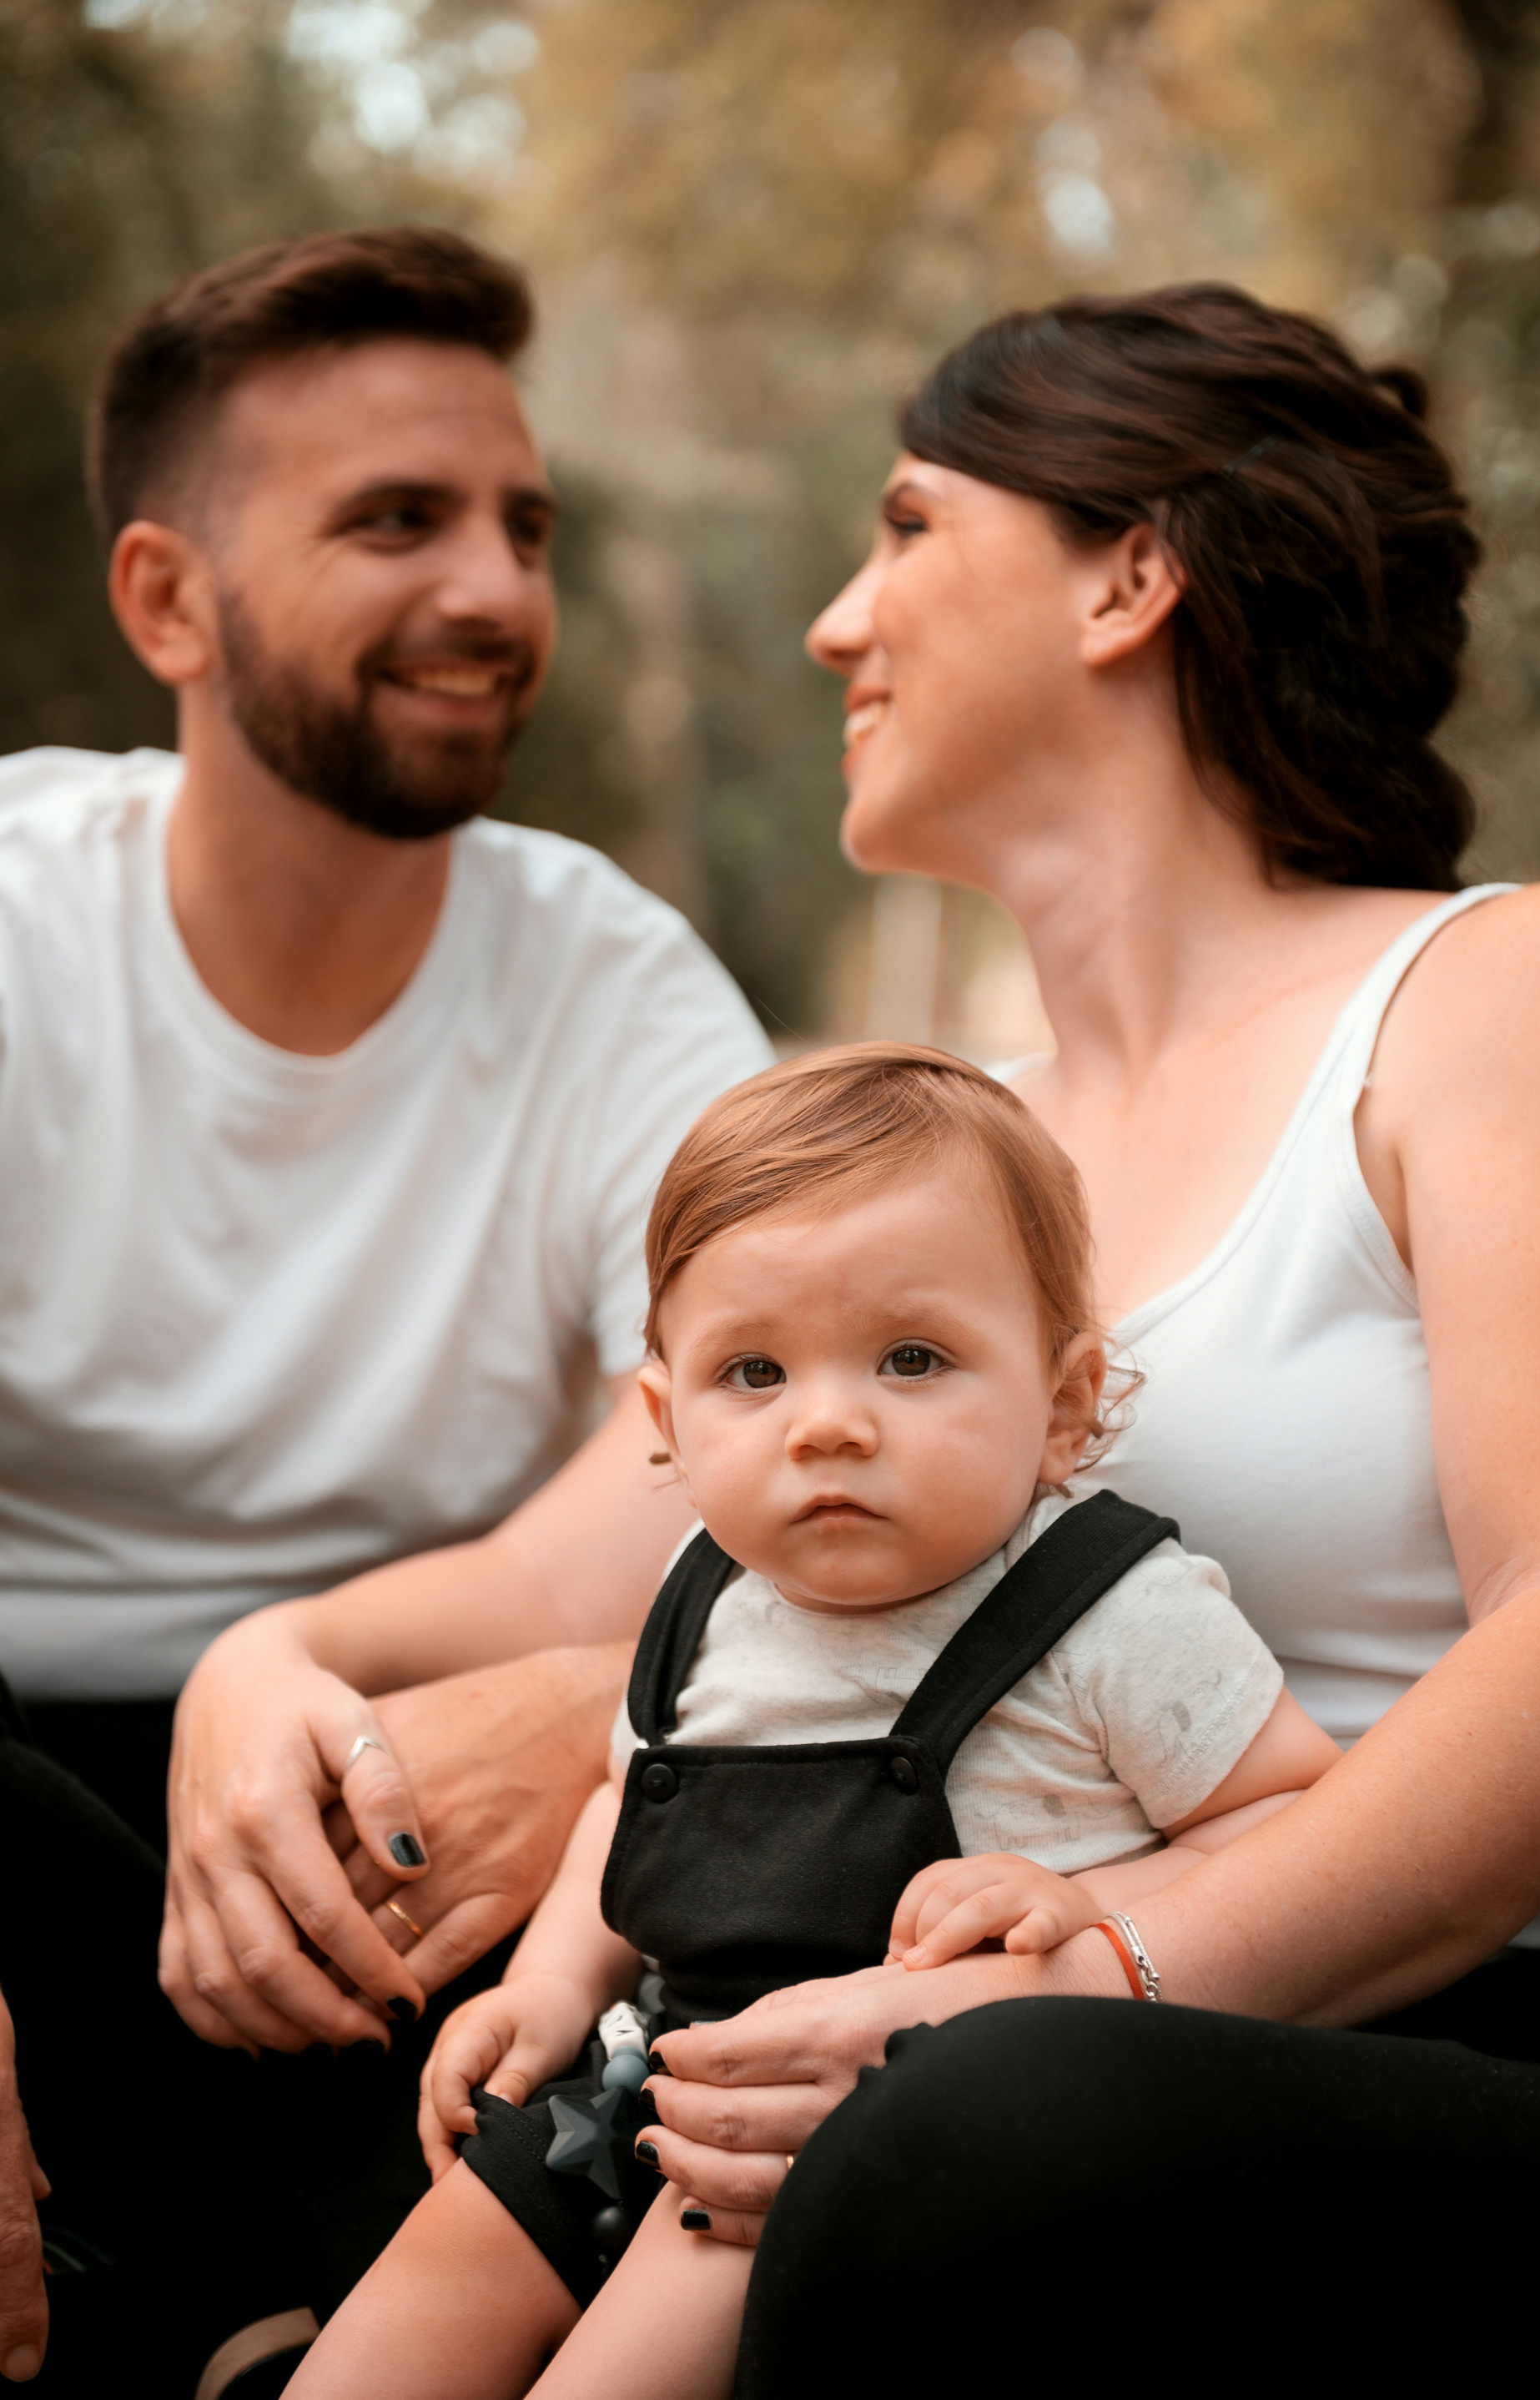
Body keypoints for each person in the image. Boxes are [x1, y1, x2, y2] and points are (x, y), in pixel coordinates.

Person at [594, 284, 1540, 2381]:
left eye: (906, 525)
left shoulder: (1506, 991)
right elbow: (623, 1538)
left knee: (975, 2127)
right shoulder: (952, 1155)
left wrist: (1096, 1974)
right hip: (954, 1991)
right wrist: (288, 1668)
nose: (836, 623)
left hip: (1450, 2031)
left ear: (1130, 577)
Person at [0, 225, 768, 2382]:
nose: (496, 591)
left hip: (391, 1820)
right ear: (169, 600)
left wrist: (549, 1701)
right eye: (398, 521)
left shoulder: (612, 987)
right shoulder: (19, 914)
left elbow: (733, 1442)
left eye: (524, 526)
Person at [285, 1043, 1340, 2399]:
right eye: (754, 1372)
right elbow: (630, 1800)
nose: (826, 1424)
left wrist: (1084, 1902)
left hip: (853, 2138)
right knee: (417, 2298)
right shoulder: (705, 1592)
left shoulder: (1110, 1609)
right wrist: (549, 1987)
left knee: (623, 2354)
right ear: (668, 1421)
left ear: (1064, 1404)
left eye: (911, 1358)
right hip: (654, 2073)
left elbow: (1294, 1816)